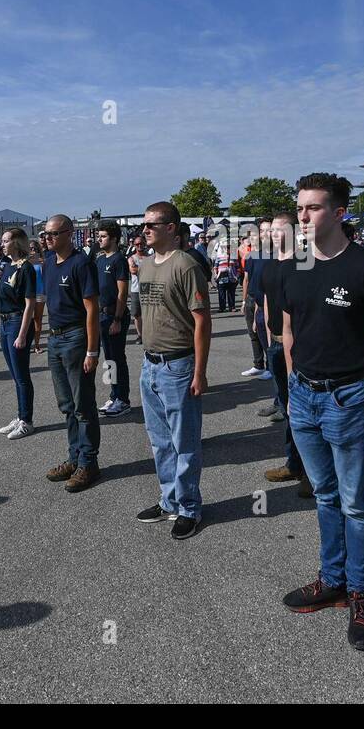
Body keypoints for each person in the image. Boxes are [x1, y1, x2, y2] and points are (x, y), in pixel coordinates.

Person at [279, 173, 364, 652]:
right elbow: (288, 330)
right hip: (304, 397)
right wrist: (291, 387)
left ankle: (361, 592)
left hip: (350, 399)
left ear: (339, 213)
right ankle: (332, 579)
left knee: (356, 502)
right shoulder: (293, 266)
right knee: (325, 496)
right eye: (300, 208)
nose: (302, 217)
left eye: (312, 208)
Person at [134, 200, 212, 539]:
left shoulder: (186, 265)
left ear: (171, 228)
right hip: (150, 364)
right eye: (144, 224)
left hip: (179, 365)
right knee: (160, 441)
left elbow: (202, 321)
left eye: (153, 224)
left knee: (185, 442)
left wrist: (200, 371)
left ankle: (189, 507)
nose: (145, 229)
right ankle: (169, 501)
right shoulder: (146, 265)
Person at [41, 214, 103, 492]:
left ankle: (88, 463)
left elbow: (92, 309)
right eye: (45, 234)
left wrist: (92, 350)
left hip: (76, 338)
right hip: (54, 339)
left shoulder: (81, 264)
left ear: (69, 233)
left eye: (53, 234)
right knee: (66, 406)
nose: (48, 238)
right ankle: (74, 457)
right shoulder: (48, 264)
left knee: (83, 406)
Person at [260, 210, 311, 496]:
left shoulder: (305, 261)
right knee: (287, 406)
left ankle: (311, 472)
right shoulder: (269, 266)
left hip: (301, 346)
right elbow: (268, 302)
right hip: (277, 344)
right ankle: (294, 463)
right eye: (270, 230)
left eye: (278, 229)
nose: (272, 234)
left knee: (303, 409)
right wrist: (270, 340)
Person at [0, 227, 39, 442]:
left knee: (22, 376)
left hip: (17, 322)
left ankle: (27, 421)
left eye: (5, 240)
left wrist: (22, 334)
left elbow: (30, 304)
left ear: (17, 243)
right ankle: (20, 415)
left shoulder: (26, 268)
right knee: (14, 374)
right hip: (4, 324)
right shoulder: (7, 267)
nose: (2, 244)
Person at [94, 220, 133, 416]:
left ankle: (123, 399)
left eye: (103, 236)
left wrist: (117, 319)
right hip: (101, 316)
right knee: (108, 360)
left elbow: (122, 293)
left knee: (117, 358)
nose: (99, 239)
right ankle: (113, 394)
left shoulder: (119, 260)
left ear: (114, 238)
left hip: (114, 316)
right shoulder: (100, 259)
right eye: (99, 236)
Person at [240, 218, 272, 379]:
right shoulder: (253, 255)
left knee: (267, 336)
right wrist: (244, 300)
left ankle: (270, 367)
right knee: (253, 334)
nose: (265, 234)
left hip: (267, 301)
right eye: (263, 231)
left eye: (269, 230)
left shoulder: (276, 254)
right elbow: (246, 279)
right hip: (252, 299)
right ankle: (258, 365)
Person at [127, 236, 145, 344]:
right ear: (134, 245)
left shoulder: (150, 257)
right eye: (137, 244)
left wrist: (139, 268)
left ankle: (148, 335)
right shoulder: (131, 258)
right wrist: (147, 268)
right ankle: (140, 335)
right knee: (137, 314)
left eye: (141, 243)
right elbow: (133, 270)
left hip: (148, 289)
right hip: (135, 289)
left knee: (148, 314)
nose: (140, 246)